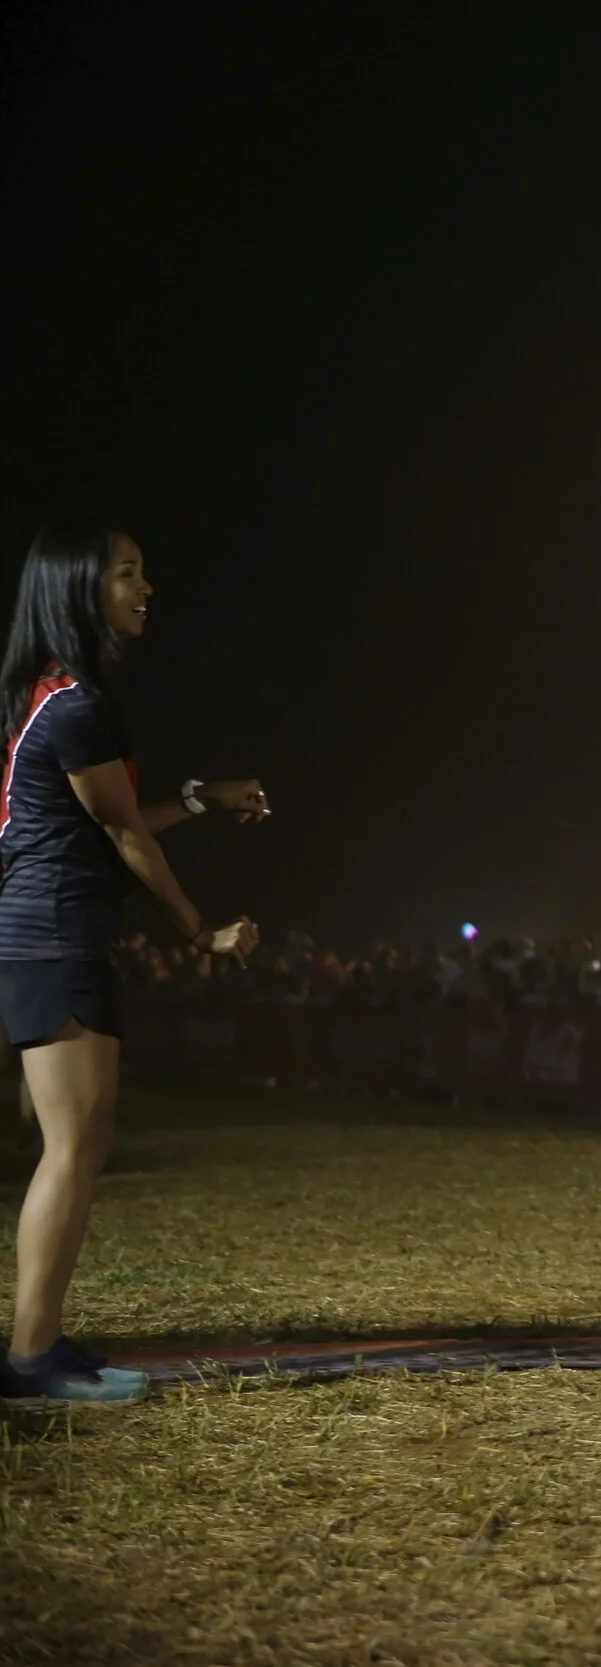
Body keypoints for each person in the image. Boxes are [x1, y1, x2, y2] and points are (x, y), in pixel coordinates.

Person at [0, 523, 262, 1406]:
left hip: (52, 932)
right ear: (82, 587)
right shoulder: (78, 703)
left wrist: (200, 797)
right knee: (70, 1145)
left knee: (80, 1141)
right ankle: (32, 1358)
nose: (145, 586)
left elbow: (118, 817)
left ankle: (45, 1344)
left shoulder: (51, 693)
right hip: (53, 934)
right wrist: (201, 932)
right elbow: (119, 835)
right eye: (127, 572)